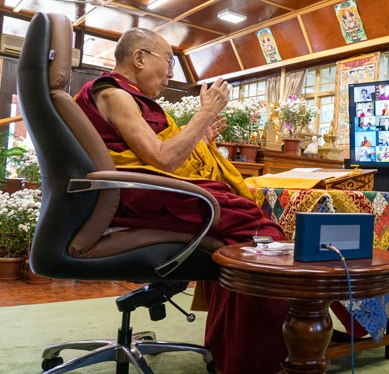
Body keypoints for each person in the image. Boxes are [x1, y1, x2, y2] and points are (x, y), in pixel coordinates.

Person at [74, 28, 289, 374]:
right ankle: (254, 359)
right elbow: (162, 159)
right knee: (264, 240)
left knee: (242, 234)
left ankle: (230, 346)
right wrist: (203, 113)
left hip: (142, 191)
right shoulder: (115, 95)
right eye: (169, 62)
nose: (171, 73)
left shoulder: (123, 96)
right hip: (143, 196)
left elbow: (154, 152)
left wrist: (198, 138)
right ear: (139, 58)